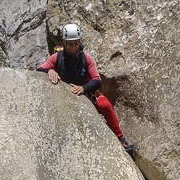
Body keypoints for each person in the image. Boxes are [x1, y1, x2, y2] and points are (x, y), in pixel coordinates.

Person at [36, 23, 134, 157]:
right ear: (64, 43)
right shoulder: (58, 57)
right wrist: (50, 70)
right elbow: (39, 69)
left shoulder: (85, 58)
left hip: (87, 91)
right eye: (70, 44)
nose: (73, 47)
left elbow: (97, 80)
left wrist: (83, 88)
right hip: (67, 93)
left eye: (76, 43)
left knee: (105, 105)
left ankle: (120, 138)